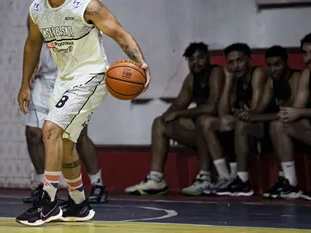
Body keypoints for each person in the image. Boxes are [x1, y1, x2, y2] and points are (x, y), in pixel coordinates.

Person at [16, 0, 150, 226]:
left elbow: (119, 33)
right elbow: (32, 45)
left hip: (92, 77)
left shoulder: (87, 5)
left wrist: (140, 62)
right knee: (64, 143)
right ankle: (78, 204)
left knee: (50, 129)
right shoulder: (37, 10)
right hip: (65, 79)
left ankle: (49, 202)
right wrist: (24, 84)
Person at [23, 18, 109, 204]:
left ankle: (97, 183)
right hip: (44, 83)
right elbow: (32, 44)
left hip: (71, 83)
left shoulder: (74, 21)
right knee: (33, 133)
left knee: (77, 137)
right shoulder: (37, 15)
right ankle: (42, 185)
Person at [125, 42, 224, 196]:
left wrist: (178, 114)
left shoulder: (216, 72)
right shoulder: (192, 79)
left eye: (200, 58)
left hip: (220, 131)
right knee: (160, 123)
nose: (196, 63)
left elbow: (213, 107)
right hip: (201, 131)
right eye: (192, 60)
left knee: (201, 120)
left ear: (209, 58)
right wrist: (168, 116)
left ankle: (206, 177)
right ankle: (156, 179)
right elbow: (179, 104)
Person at [214, 46, 300, 197]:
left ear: (287, 62)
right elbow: (258, 110)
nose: (273, 69)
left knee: (276, 125)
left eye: (277, 64)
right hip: (273, 127)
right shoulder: (271, 82)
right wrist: (248, 114)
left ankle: (289, 183)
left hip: (294, 127)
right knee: (245, 124)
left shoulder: (295, 77)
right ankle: (242, 180)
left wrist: (252, 116)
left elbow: (287, 113)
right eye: (270, 65)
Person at [199, 43, 267, 194]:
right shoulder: (234, 77)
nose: (236, 66)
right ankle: (225, 177)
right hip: (243, 123)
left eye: (240, 60)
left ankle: (244, 181)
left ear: (249, 60)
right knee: (206, 121)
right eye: (231, 62)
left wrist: (239, 115)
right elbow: (223, 112)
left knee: (240, 124)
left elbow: (254, 113)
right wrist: (229, 80)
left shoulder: (258, 73)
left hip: (264, 127)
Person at [270, 33, 311, 200]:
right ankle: (290, 183)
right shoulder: (307, 74)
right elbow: (298, 107)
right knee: (278, 124)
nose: (308, 58)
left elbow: (300, 111)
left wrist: (300, 112)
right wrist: (288, 113)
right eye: (305, 53)